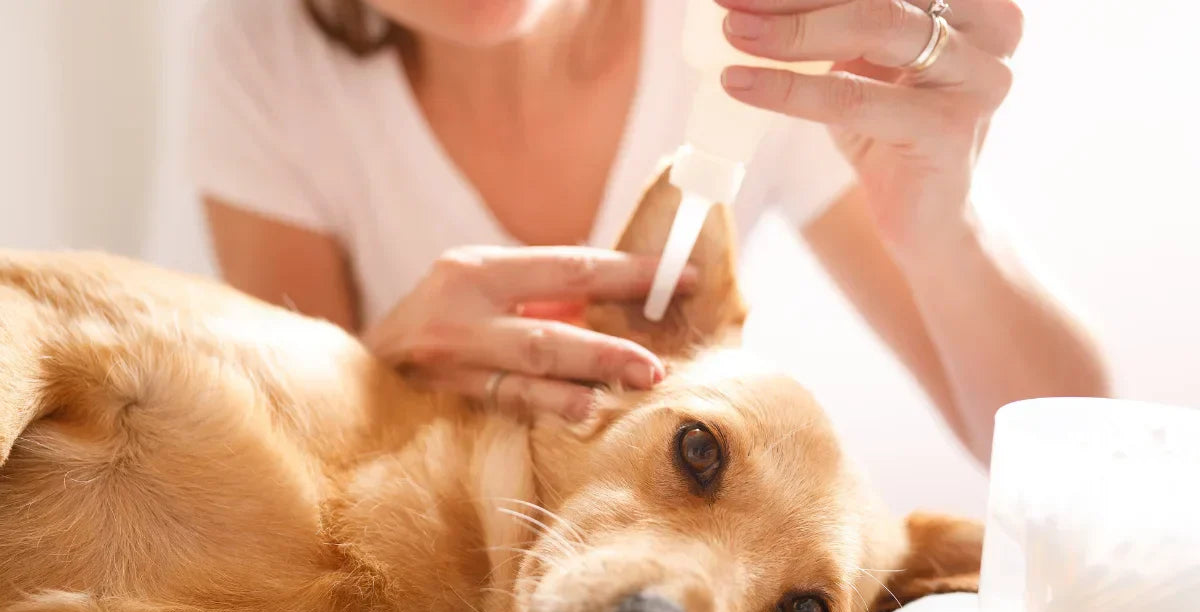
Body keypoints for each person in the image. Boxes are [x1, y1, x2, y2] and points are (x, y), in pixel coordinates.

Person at [188, 0, 1110, 462]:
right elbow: (289, 473)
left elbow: (1076, 454)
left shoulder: (758, 31)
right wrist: (379, 375)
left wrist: (940, 227)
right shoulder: (265, 54)